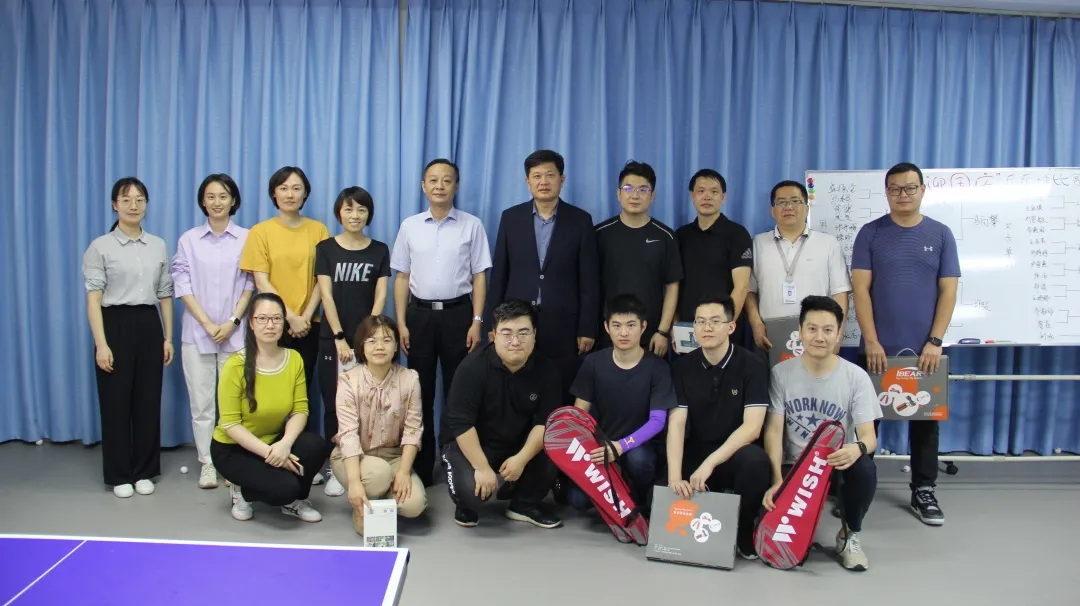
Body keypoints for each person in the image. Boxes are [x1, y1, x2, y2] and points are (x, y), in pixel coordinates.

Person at [851, 162, 959, 526]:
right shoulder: (870, 233)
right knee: (866, 421)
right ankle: (857, 489)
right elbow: (860, 290)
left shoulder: (941, 234)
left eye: (910, 188)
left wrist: (935, 341)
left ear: (922, 190)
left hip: (926, 350)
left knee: (924, 424)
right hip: (878, 349)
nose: (903, 195)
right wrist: (871, 340)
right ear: (886, 192)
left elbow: (948, 292)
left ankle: (924, 489)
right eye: (895, 188)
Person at [391, 158, 493, 487]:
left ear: (456, 186)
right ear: (423, 186)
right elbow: (401, 277)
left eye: (446, 180)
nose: (439, 186)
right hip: (419, 316)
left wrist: (477, 320)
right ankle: (421, 468)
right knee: (419, 392)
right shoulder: (410, 226)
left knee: (457, 392)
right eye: (433, 180)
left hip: (458, 316)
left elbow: (479, 277)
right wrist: (401, 322)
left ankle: (454, 462)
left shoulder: (471, 226)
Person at [763, 295, 881, 571]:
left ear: (839, 334)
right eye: (812, 329)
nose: (819, 337)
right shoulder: (780, 373)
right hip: (794, 465)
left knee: (864, 468)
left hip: (833, 462)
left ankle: (849, 535)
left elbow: (869, 437)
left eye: (828, 330)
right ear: (800, 332)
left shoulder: (856, 377)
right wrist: (777, 480)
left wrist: (857, 448)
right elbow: (774, 431)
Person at [82, 177, 174, 498]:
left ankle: (144, 470)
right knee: (115, 401)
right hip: (114, 324)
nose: (133, 206)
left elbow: (164, 294)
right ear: (114, 205)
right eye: (126, 200)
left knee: (148, 400)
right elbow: (94, 299)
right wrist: (101, 344)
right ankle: (119, 474)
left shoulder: (158, 245)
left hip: (149, 323)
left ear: (146, 204)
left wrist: (168, 337)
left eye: (139, 200)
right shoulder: (100, 246)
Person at [487, 149, 600, 406]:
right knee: (516, 391)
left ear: (562, 179)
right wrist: (492, 324)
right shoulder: (511, 218)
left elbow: (589, 281)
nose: (543, 182)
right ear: (527, 181)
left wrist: (587, 328)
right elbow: (499, 274)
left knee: (560, 391)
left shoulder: (580, 221)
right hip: (517, 322)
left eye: (550, 175)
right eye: (537, 176)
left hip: (564, 324)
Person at [440, 300, 562, 529]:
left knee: (556, 445)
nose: (515, 341)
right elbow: (461, 424)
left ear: (534, 335)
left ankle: (523, 505)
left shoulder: (548, 370)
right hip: (474, 443)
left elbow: (544, 423)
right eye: (507, 334)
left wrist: (521, 459)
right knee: (472, 494)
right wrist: (481, 467)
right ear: (493, 335)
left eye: (523, 333)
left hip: (516, 444)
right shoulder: (472, 368)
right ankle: (464, 504)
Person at [210, 293, 330, 523]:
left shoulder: (294, 359)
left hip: (274, 441)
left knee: (315, 446)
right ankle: (241, 491)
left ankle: (294, 501)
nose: (270, 325)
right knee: (284, 488)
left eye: (276, 318)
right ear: (252, 323)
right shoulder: (235, 365)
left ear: (284, 322)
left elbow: (300, 410)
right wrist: (270, 453)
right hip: (233, 449)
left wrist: (285, 444)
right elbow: (231, 424)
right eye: (262, 318)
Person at [668, 294, 771, 558]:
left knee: (757, 464)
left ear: (731, 326)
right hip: (698, 448)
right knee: (657, 489)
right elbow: (677, 424)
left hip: (735, 451)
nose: (707, 328)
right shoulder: (682, 367)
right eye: (700, 322)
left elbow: (752, 428)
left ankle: (744, 529)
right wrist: (674, 478)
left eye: (715, 321)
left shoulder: (753, 365)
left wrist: (710, 464)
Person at [239, 166, 330, 455]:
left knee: (302, 390)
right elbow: (261, 280)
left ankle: (301, 453)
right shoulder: (260, 232)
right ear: (274, 194)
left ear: (305, 194)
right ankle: (266, 451)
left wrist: (305, 316)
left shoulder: (318, 230)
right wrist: (289, 316)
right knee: (270, 389)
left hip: (309, 323)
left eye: (296, 188)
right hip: (271, 324)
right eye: (283, 188)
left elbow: (322, 280)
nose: (290, 194)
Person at [171, 174, 254, 489]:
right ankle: (207, 462)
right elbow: (182, 284)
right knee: (202, 404)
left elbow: (250, 283)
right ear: (202, 201)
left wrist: (232, 321)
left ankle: (232, 462)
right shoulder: (189, 240)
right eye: (211, 196)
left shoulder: (247, 238)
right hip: (197, 334)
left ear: (233, 200)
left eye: (223, 196)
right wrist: (206, 323)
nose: (217, 202)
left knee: (236, 403)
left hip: (235, 333)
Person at [569, 294, 676, 516]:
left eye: (631, 325)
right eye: (617, 325)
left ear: (643, 327)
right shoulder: (593, 363)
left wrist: (621, 446)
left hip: (640, 445)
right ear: (606, 327)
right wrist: (591, 447)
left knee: (639, 461)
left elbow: (658, 421)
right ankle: (615, 493)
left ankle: (638, 498)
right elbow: (579, 414)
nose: (624, 333)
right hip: (602, 443)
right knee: (577, 500)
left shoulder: (658, 367)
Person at [315, 187, 391, 497]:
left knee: (368, 405)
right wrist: (339, 338)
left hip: (368, 342)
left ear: (368, 214)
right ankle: (337, 467)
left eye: (361, 209)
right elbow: (326, 295)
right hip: (333, 340)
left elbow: (381, 294)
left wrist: (368, 339)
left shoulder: (380, 250)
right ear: (339, 213)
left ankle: (367, 462)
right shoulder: (325, 249)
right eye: (348, 209)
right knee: (334, 405)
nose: (355, 215)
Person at [330, 315, 427, 534]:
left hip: (393, 456)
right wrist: (355, 482)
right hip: (355, 456)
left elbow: (413, 430)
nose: (380, 347)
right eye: (372, 341)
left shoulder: (410, 379)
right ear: (362, 346)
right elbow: (348, 435)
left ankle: (379, 497)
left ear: (396, 346)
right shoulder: (348, 381)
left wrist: (404, 471)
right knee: (378, 476)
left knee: (413, 505)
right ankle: (362, 502)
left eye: (387, 340)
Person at [745, 180, 851, 354]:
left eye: (795, 201)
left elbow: (840, 293)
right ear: (772, 210)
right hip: (770, 336)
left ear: (807, 208)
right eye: (781, 202)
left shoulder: (828, 244)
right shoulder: (758, 243)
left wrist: (837, 334)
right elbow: (749, 291)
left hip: (818, 336)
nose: (788, 207)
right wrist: (756, 324)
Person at [594, 161, 682, 355]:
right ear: (618, 194)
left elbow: (672, 286)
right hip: (607, 336)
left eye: (643, 190)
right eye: (628, 188)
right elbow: (588, 286)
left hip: (651, 337)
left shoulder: (665, 236)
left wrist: (662, 331)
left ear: (652, 196)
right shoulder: (599, 234)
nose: (635, 195)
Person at [675, 169, 754, 347]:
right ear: (692, 195)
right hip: (688, 329)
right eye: (701, 191)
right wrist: (675, 325)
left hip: (724, 332)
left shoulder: (737, 234)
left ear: (723, 197)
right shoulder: (681, 236)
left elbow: (741, 287)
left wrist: (724, 327)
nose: (707, 197)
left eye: (714, 192)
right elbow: (675, 286)